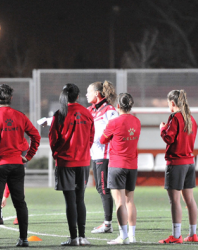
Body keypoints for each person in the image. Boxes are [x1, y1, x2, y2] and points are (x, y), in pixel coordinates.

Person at [0, 84, 40, 248]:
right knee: (20, 203)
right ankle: (24, 239)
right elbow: (36, 135)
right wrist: (28, 156)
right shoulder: (20, 116)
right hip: (17, 165)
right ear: (11, 98)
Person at [49, 83, 95, 246]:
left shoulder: (59, 114)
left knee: (70, 201)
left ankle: (74, 238)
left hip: (65, 162)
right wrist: (83, 152)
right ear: (78, 96)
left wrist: (57, 154)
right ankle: (82, 236)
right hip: (82, 162)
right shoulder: (87, 113)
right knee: (80, 199)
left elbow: (53, 140)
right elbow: (91, 138)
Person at [100, 93, 141, 245]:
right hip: (132, 165)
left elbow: (103, 140)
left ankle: (122, 236)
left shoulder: (114, 122)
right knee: (130, 201)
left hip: (117, 164)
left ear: (118, 106)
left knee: (119, 202)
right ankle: (132, 236)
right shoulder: (137, 121)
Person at [158, 90, 198, 244]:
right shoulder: (191, 118)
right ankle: (193, 234)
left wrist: (162, 128)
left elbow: (169, 138)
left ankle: (176, 236)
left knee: (175, 201)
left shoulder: (175, 117)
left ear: (172, 103)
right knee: (190, 200)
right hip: (189, 163)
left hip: (176, 163)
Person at [86, 80, 118, 234]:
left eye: (88, 92)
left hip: (105, 156)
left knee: (104, 189)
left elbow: (116, 129)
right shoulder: (91, 110)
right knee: (101, 188)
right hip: (95, 155)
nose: (86, 95)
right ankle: (108, 223)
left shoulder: (109, 110)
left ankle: (108, 224)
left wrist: (102, 139)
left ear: (97, 94)